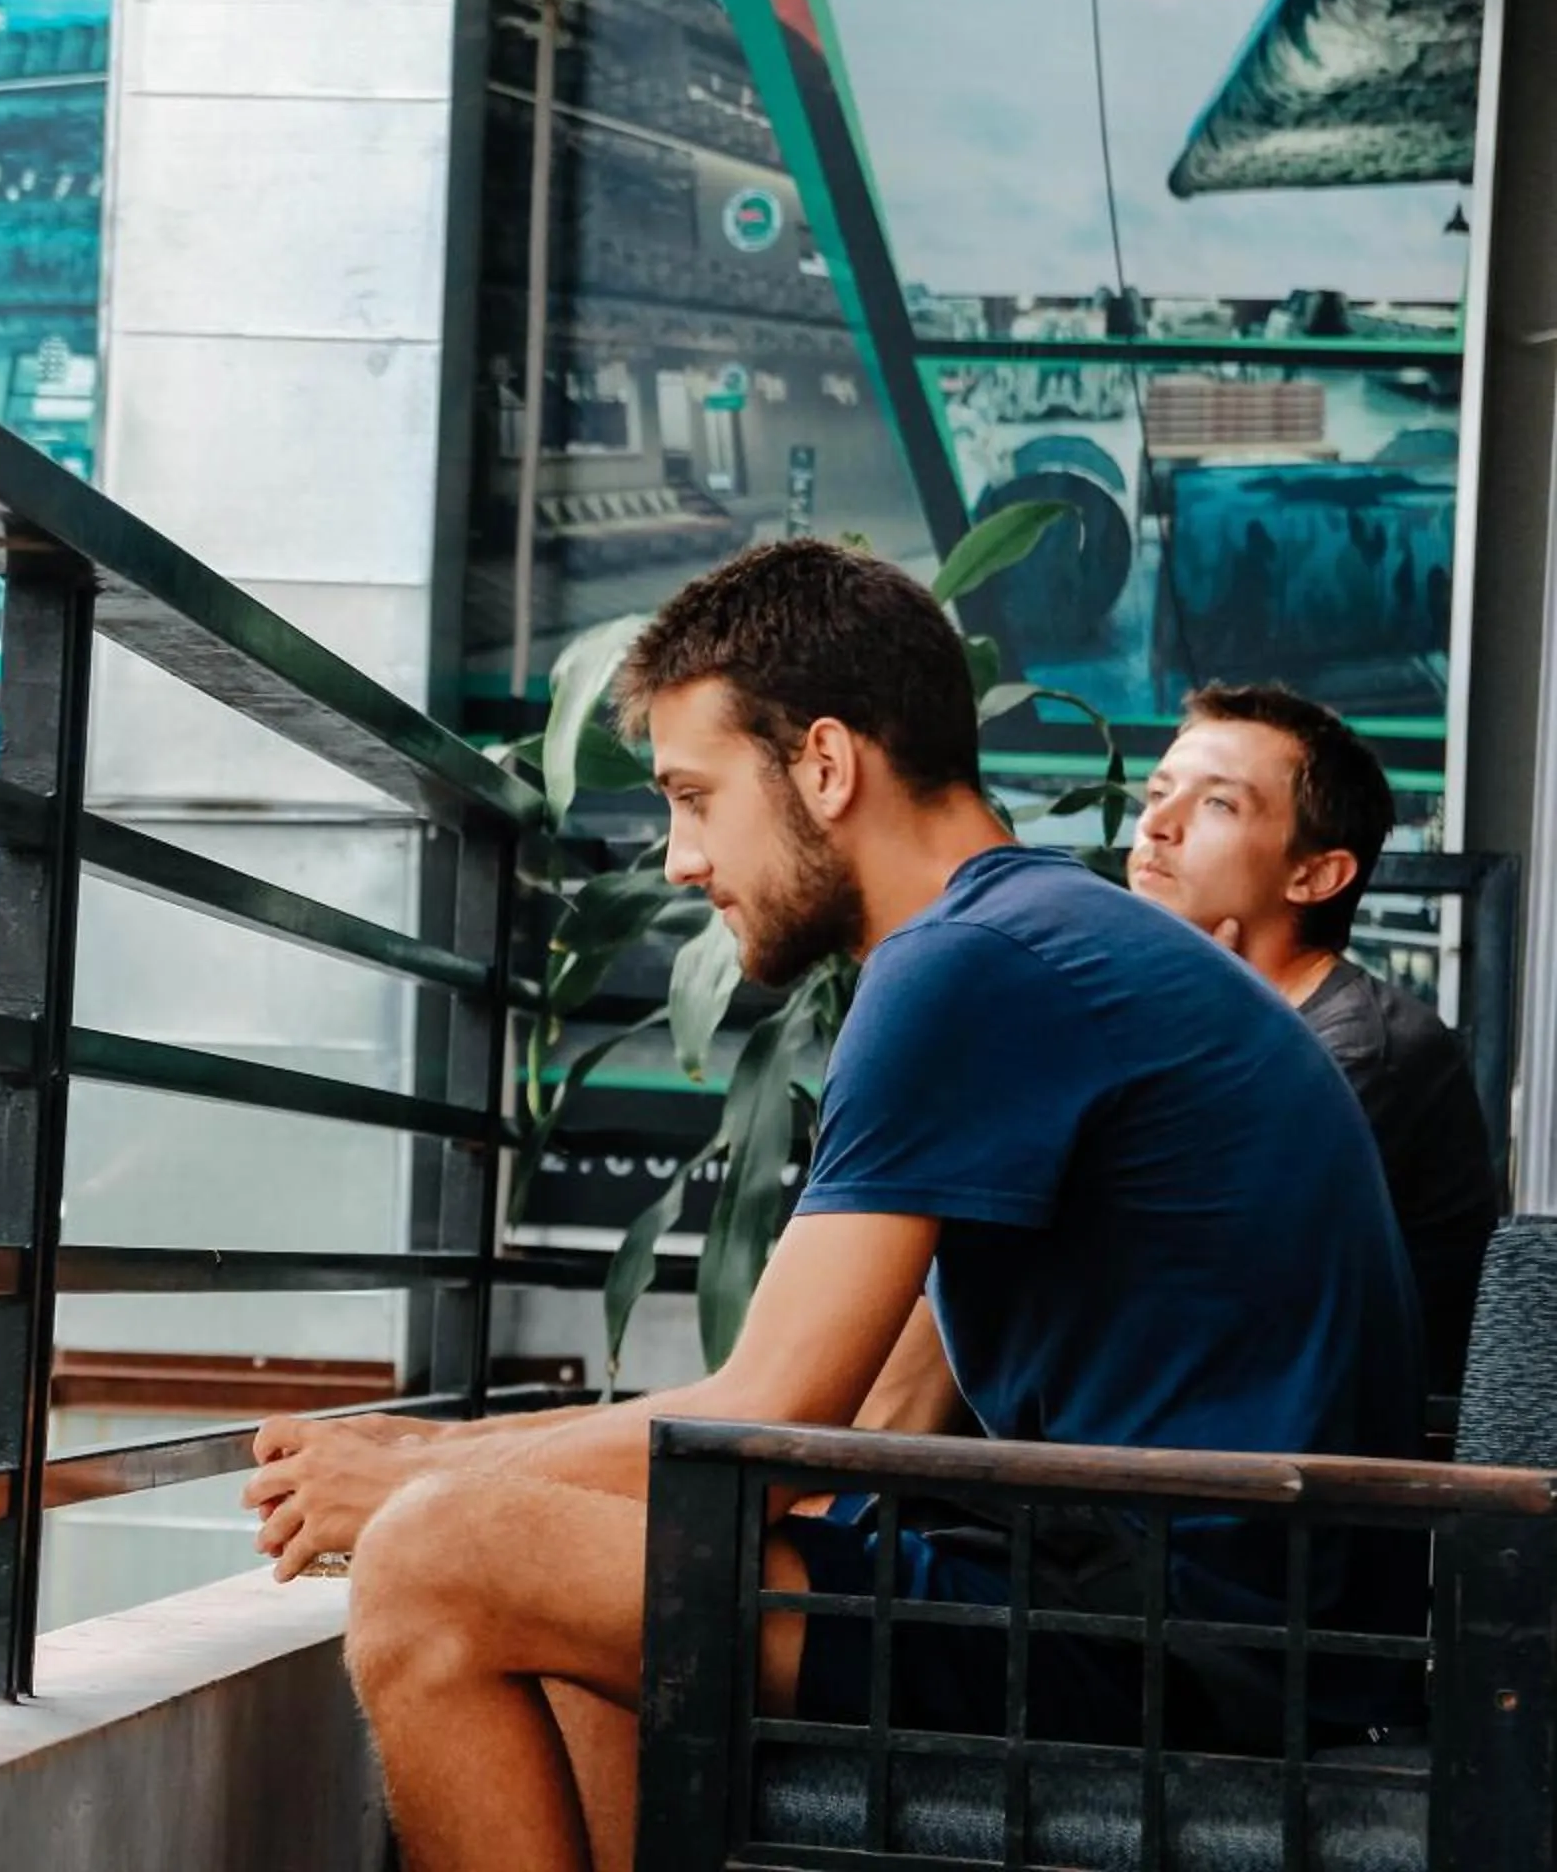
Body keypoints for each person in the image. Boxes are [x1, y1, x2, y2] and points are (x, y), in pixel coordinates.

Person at [242, 542, 1422, 1872]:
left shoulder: (968, 965)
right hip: (1218, 1616)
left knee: (432, 1566)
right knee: (566, 1587)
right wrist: (444, 1467)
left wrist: (422, 1473)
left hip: (1194, 1648)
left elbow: (773, 1416)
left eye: (694, 797)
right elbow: (866, 1409)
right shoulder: (1036, 937)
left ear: (824, 764)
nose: (682, 860)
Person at [1130, 681, 1500, 1394]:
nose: (1158, 827)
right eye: (1156, 793)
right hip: (1182, 1446)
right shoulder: (1206, 1022)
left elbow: (1169, 1264)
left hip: (1308, 1482)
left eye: (1218, 804)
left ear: (1316, 873)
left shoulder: (1361, 1053)